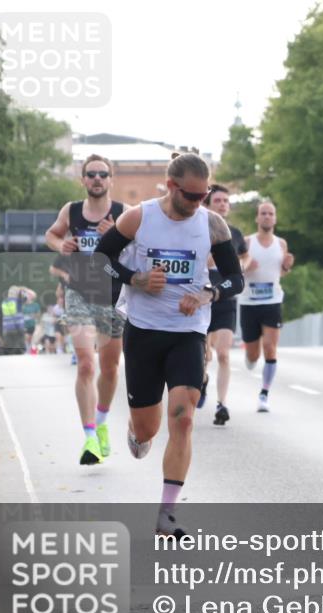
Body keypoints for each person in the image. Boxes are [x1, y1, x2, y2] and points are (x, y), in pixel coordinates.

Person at [95, 152, 243, 537]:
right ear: (172, 186)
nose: (198, 203)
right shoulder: (139, 217)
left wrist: (209, 293)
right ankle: (136, 429)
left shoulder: (212, 224)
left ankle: (167, 515)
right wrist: (135, 278)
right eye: (191, 196)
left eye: (203, 195)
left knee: (184, 416)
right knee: (148, 430)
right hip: (144, 331)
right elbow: (100, 258)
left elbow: (235, 279)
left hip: (188, 332)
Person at [45, 154, 127, 465]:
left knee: (110, 367)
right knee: (85, 365)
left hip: (112, 296)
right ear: (83, 180)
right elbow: (52, 234)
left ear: (111, 180)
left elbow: (142, 249)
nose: (97, 179)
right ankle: (90, 436)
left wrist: (115, 235)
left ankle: (102, 422)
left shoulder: (124, 212)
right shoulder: (72, 210)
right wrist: (61, 245)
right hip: (79, 292)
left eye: (102, 174)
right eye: (91, 174)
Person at [199, 184, 249, 425]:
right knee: (202, 356)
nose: (222, 205)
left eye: (225, 201)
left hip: (226, 298)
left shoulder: (235, 233)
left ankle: (222, 404)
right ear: (208, 204)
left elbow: (244, 255)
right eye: (217, 200)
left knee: (223, 354)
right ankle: (202, 380)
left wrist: (241, 266)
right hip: (202, 298)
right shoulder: (199, 229)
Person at [239, 201, 294, 413]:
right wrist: (246, 267)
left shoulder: (281, 244)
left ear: (275, 218)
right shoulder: (247, 242)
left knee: (270, 347)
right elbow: (236, 268)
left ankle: (264, 394)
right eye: (263, 213)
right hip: (249, 302)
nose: (267, 217)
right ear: (257, 217)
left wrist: (287, 267)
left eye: (271, 213)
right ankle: (250, 356)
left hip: (273, 301)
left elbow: (281, 272)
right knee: (253, 355)